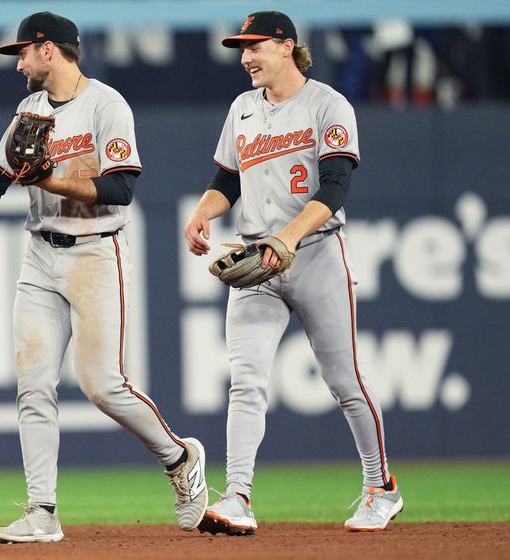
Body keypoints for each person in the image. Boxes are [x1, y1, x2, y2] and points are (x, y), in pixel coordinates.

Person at [0, 11, 208, 543]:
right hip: (39, 255)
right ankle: (42, 512)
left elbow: (120, 189)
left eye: (23, 52)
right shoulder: (28, 110)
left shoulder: (106, 104)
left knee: (103, 386)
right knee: (33, 383)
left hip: (96, 253)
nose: (19, 62)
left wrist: (49, 177)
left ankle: (180, 456)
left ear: (49, 50)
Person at [182, 11, 403, 534]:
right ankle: (237, 496)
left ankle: (381, 487)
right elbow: (226, 180)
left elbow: (334, 189)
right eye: (242, 48)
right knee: (246, 382)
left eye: (254, 46)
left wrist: (289, 236)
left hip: (317, 255)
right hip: (259, 263)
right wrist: (202, 213)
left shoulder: (328, 104)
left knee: (345, 381)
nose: (245, 57)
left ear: (286, 46)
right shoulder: (242, 109)